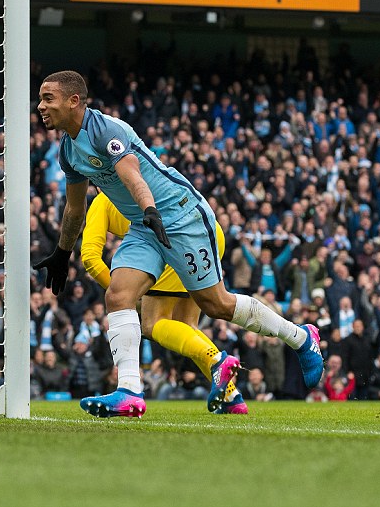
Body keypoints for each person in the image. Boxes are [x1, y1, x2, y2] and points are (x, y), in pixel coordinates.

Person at [33, 71, 323, 418]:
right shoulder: (68, 150)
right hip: (145, 224)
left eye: (48, 98)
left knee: (215, 304)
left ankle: (301, 338)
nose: (41, 106)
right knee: (119, 296)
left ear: (73, 101)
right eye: (41, 99)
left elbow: (133, 175)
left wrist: (150, 210)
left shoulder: (106, 131)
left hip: (179, 216)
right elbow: (75, 207)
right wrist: (62, 253)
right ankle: (129, 393)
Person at [80, 191, 247, 413]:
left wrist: (125, 294)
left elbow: (90, 257)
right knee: (186, 326)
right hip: (208, 230)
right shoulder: (146, 181)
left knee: (151, 324)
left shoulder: (104, 199)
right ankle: (232, 397)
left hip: (171, 239)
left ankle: (217, 361)